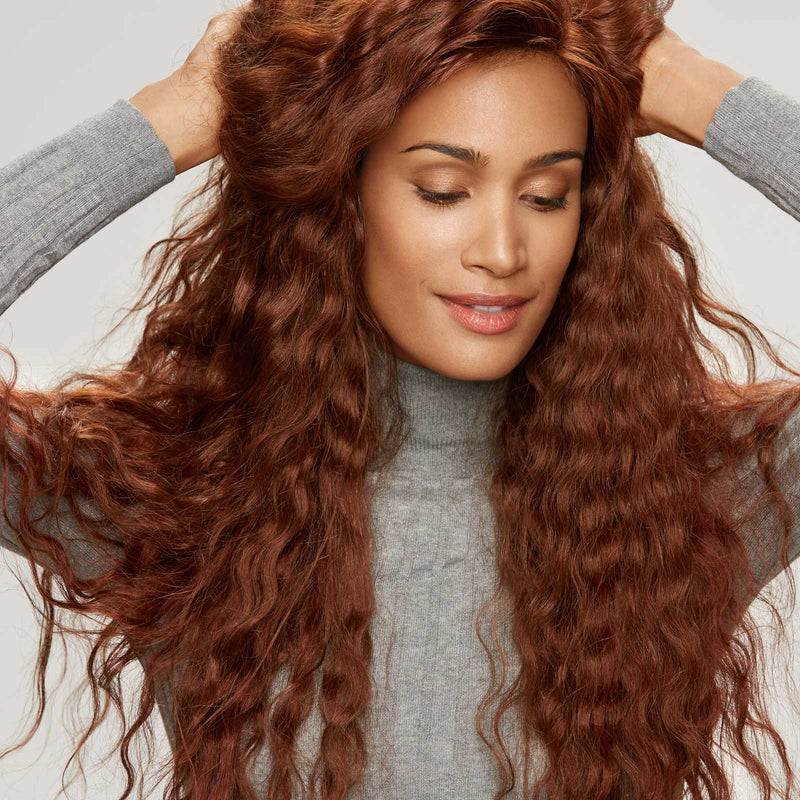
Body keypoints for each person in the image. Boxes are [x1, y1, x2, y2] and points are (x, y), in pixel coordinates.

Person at [2, 1, 800, 798]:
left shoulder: (699, 494)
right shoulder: (176, 495)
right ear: (340, 195)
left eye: (548, 195)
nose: (501, 252)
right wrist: (173, 115)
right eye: (444, 190)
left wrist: (706, 94)